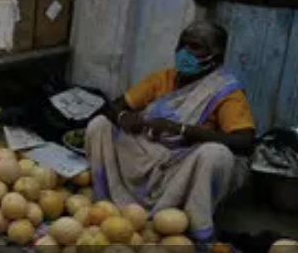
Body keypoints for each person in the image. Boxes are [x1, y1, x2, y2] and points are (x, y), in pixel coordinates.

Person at [86, 20, 255, 243]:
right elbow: (114, 106)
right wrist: (124, 116)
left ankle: (196, 228)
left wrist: (182, 129)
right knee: (101, 125)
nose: (185, 52)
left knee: (216, 154)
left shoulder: (224, 91)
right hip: (148, 155)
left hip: (184, 164)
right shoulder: (163, 78)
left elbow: (245, 142)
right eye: (182, 45)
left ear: (216, 56)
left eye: (195, 47)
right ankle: (107, 207)